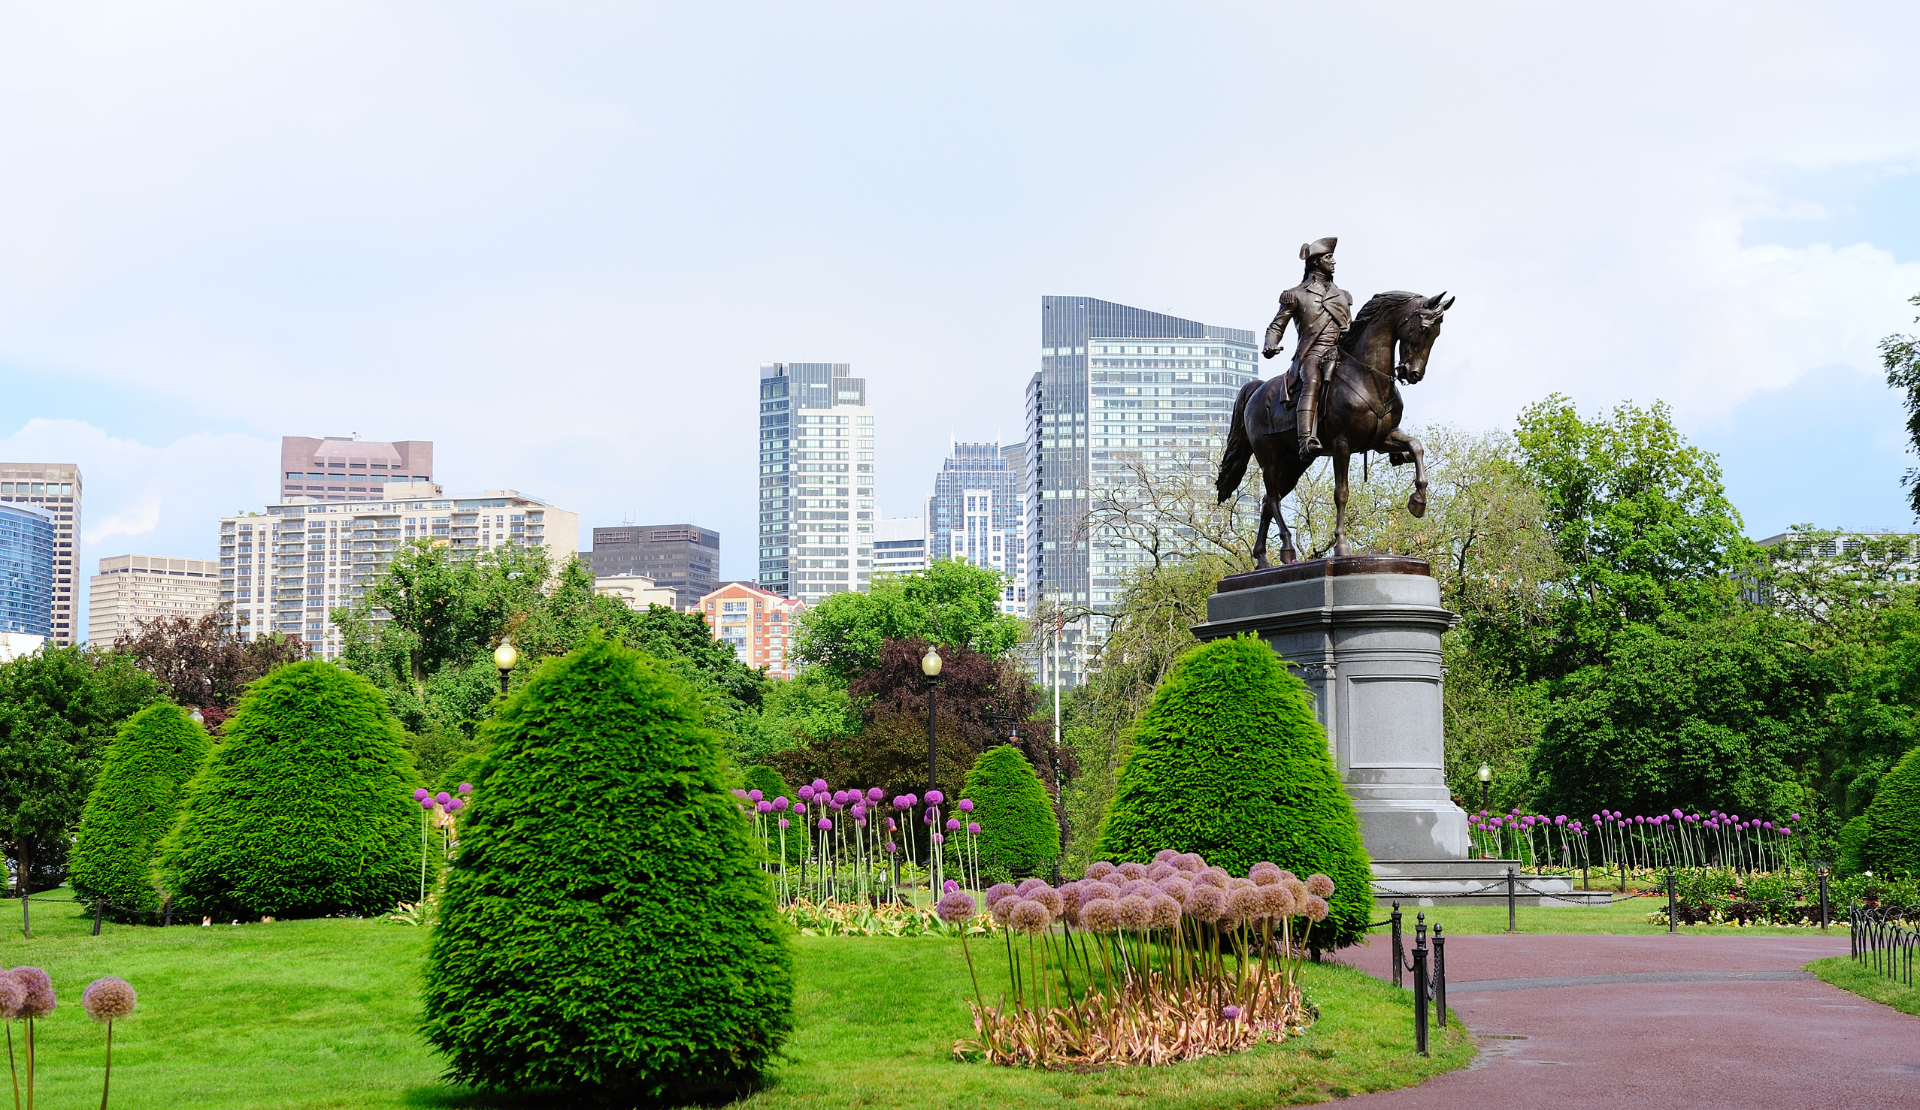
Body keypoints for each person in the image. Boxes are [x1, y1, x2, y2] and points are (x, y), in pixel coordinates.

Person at [1262, 237, 1353, 458]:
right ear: (1315, 262)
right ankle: (1306, 439)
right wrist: (1271, 344)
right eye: (1328, 257)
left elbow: (1350, 327)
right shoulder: (1296, 294)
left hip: (1340, 353)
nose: (1334, 261)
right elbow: (1277, 325)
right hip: (1312, 353)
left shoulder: (1343, 296)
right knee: (1311, 381)